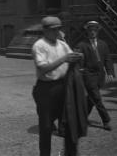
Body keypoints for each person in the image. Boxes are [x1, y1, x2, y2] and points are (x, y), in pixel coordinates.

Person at [32, 16, 84, 156]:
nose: (57, 32)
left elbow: (70, 56)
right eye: (54, 30)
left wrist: (78, 56)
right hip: (46, 89)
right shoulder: (39, 45)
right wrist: (63, 59)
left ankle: (70, 153)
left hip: (64, 86)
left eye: (59, 29)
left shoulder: (62, 44)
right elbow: (43, 69)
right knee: (46, 126)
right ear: (45, 31)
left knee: (68, 123)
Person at [76, 21, 115, 131]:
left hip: (100, 76)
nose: (92, 32)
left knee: (91, 98)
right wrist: (80, 71)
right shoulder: (81, 45)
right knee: (97, 98)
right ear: (87, 31)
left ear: (98, 31)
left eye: (94, 30)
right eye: (90, 30)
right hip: (88, 75)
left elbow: (108, 58)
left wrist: (110, 71)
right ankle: (106, 120)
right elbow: (78, 61)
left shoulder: (103, 44)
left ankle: (82, 117)